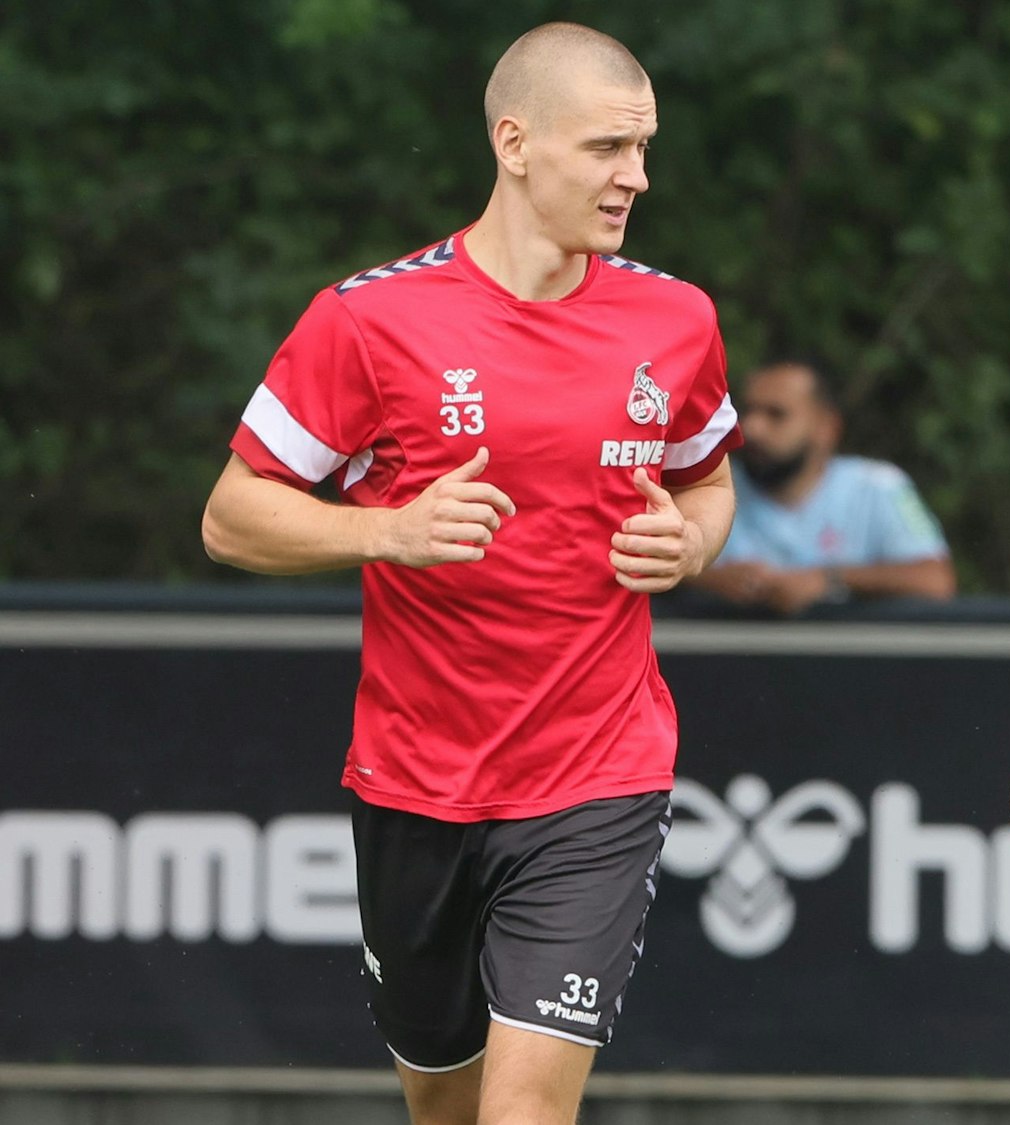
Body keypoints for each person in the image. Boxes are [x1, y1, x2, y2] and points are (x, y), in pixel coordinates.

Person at [200, 23, 739, 1125]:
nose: (633, 177)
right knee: (442, 1105)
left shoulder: (675, 320)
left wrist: (689, 543)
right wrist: (386, 532)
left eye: (642, 150)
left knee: (525, 1111)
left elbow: (709, 485)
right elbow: (230, 519)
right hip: (415, 784)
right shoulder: (370, 319)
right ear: (514, 143)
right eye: (605, 149)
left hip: (598, 774)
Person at [691, 358, 955, 614]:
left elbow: (935, 580)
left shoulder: (878, 486)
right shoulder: (708, 484)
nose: (751, 428)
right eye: (747, 411)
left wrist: (828, 580)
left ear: (826, 428)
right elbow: (654, 566)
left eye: (776, 414)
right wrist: (703, 578)